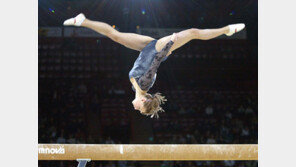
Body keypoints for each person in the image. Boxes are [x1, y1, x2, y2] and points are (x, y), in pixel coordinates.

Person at [63, 13, 245, 118]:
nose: (136, 109)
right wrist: (168, 44)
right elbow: (155, 63)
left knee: (115, 36)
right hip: (158, 49)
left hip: (146, 48)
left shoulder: (137, 88)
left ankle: (83, 21)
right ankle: (226, 30)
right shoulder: (144, 85)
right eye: (140, 109)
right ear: (143, 101)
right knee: (193, 33)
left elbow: (149, 64)